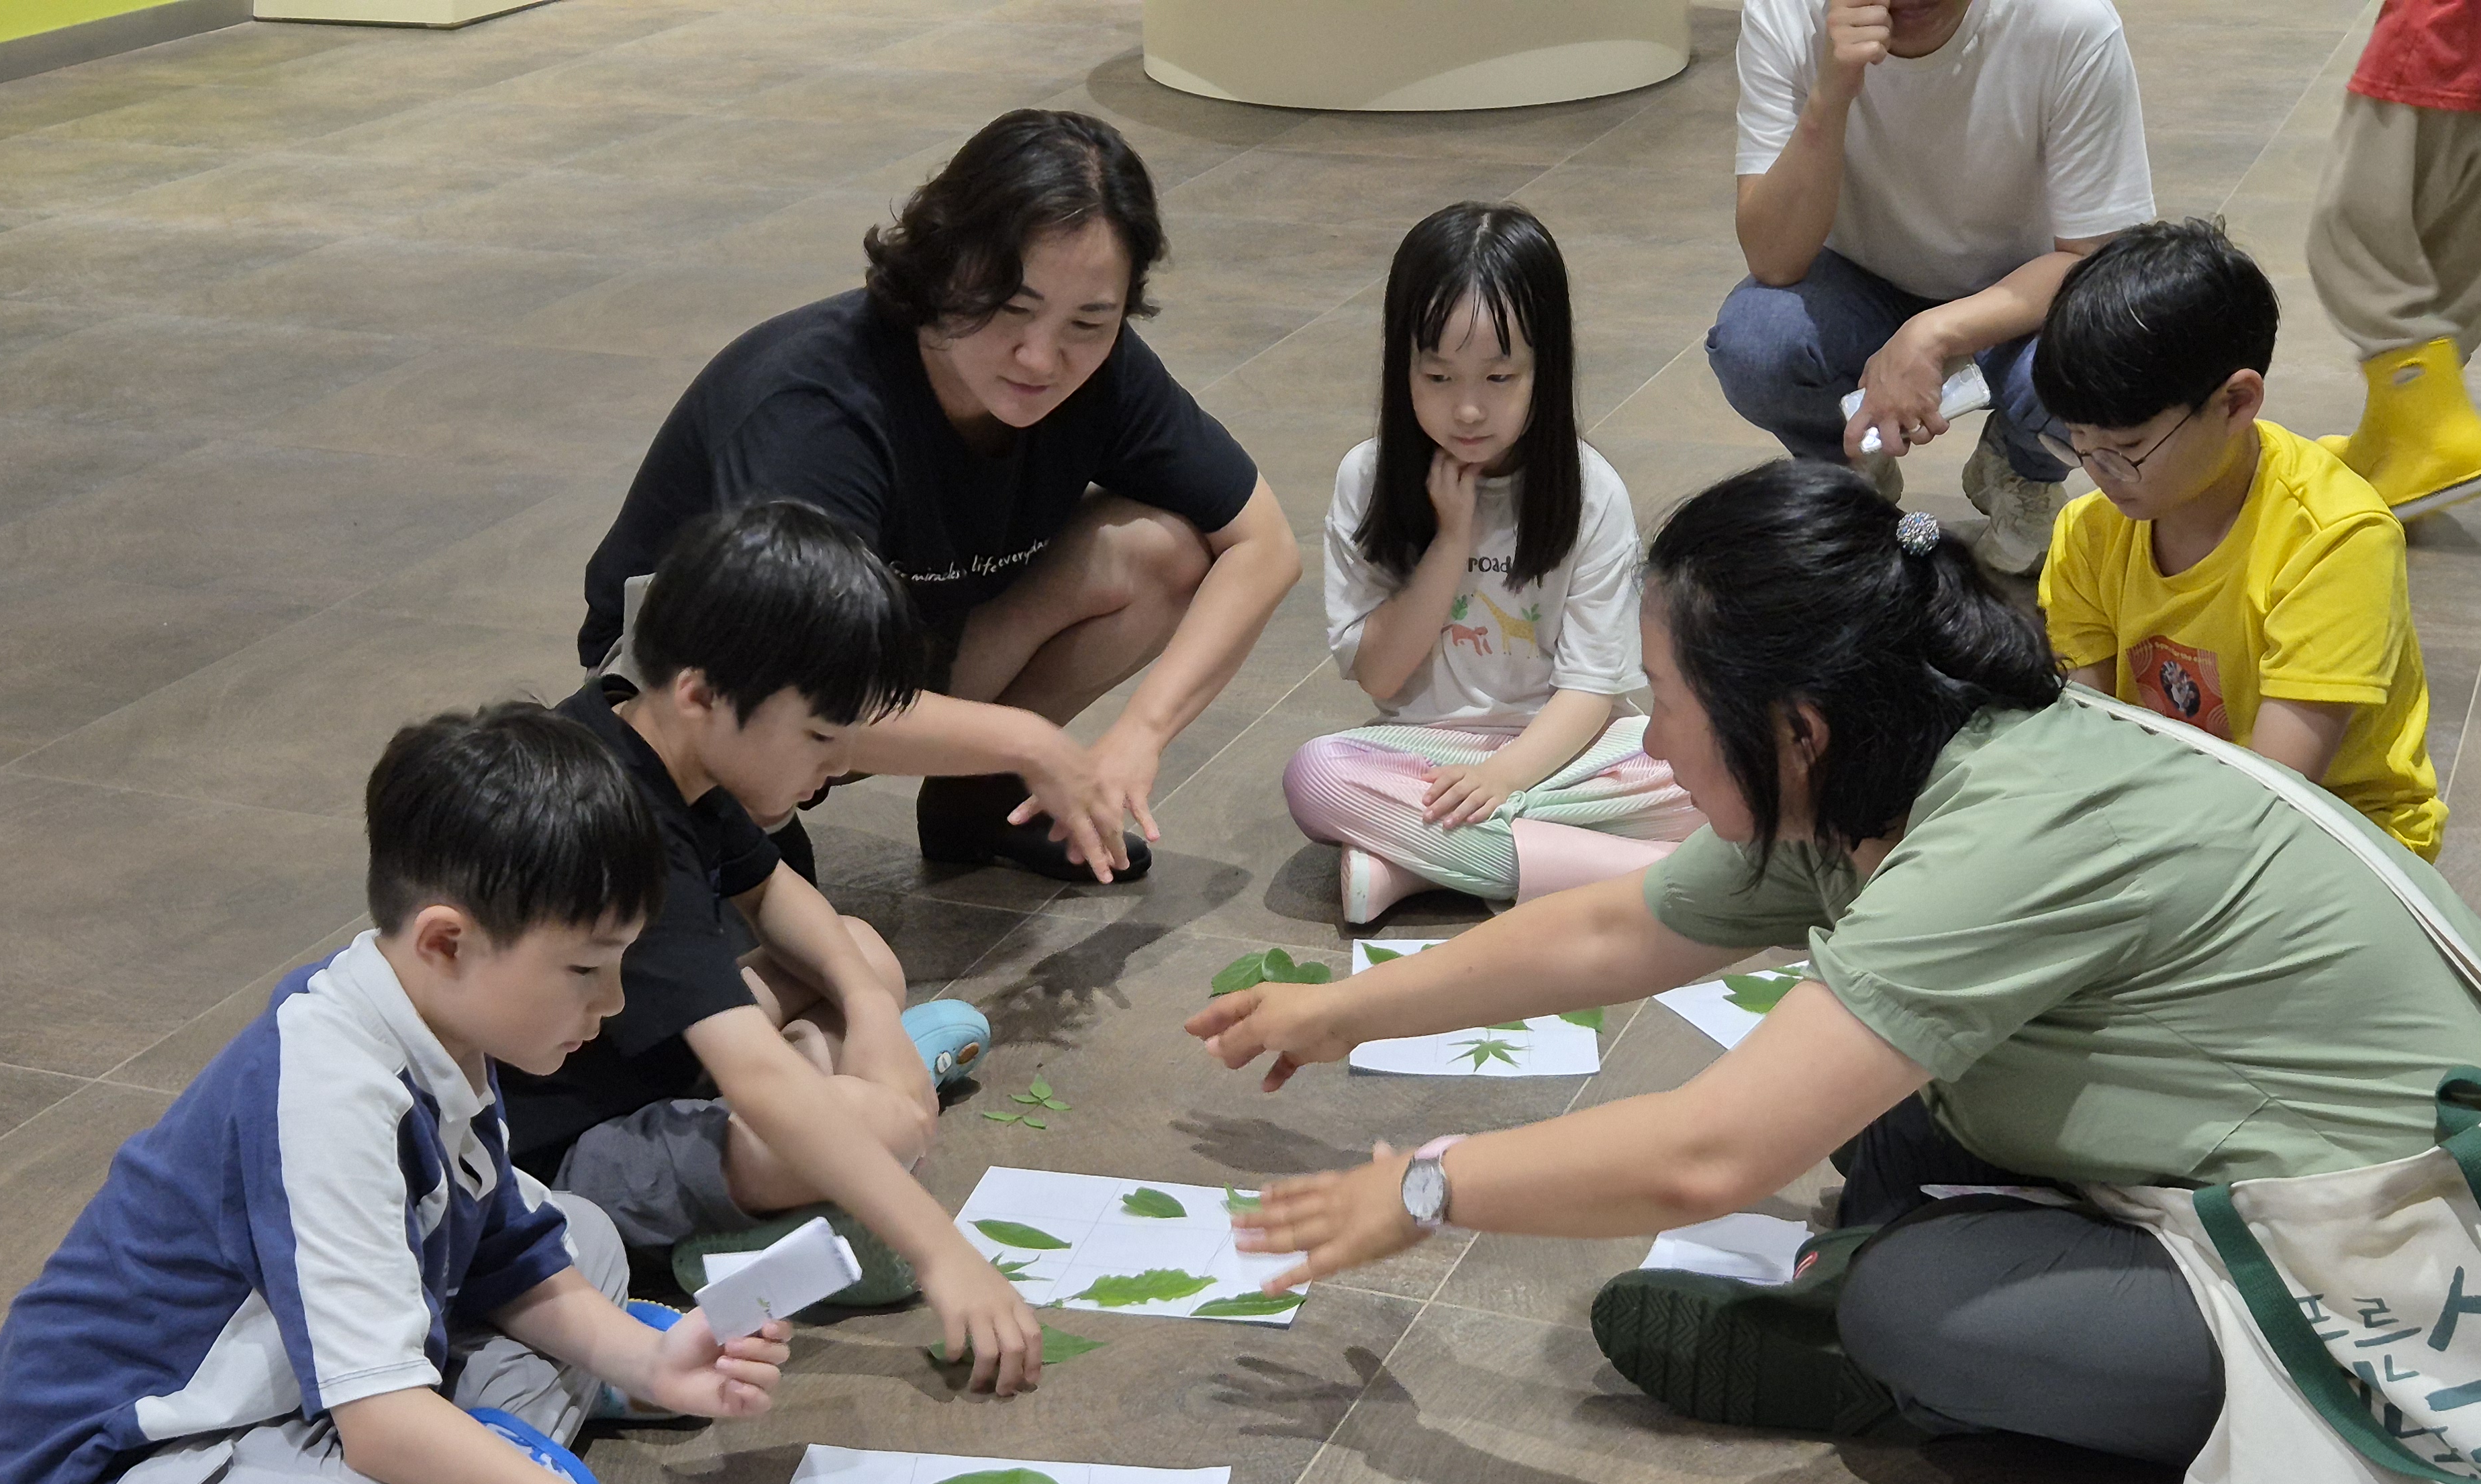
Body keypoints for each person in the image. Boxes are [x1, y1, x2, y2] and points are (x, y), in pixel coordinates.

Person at [1186, 460, 2481, 1472]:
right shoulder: (1891, 758)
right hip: (2253, 1140)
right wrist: (1340, 1009)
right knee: (1881, 1105)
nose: (1648, 752)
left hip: (2403, 1252)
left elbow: (1706, 1159)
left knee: (1923, 1308)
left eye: (1664, 709)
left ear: (1790, 727)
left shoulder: (1995, 841)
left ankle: (1908, 1365)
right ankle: (1918, 1276)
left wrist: (1428, 1187)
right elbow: (1617, 928)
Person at [0, 705, 808, 1484]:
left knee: (582, 1242)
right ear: (447, 941)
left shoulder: (436, 1019)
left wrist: (643, 1360)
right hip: (115, 1467)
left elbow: (503, 1245)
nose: (614, 1004)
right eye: (586, 969)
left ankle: (508, 1474)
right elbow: (378, 1431)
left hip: (301, 1389)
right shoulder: (328, 1090)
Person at [581, 108, 1301, 887]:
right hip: (723, 702)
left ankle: (979, 804)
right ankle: (738, 827)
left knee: (1163, 549)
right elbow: (793, 683)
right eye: (1011, 308)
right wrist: (1033, 743)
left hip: (891, 663)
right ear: (940, 261)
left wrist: (1142, 732)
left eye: (1089, 322)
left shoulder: (1107, 373)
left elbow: (1266, 546)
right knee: (757, 940)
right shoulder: (816, 408)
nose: (1042, 357)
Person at [511, 502, 1043, 1395]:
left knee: (860, 953)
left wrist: (872, 1013)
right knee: (882, 1123)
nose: (836, 769)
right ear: (702, 694)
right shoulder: (623, 828)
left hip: (638, 1053)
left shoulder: (657, 735)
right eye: (822, 740)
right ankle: (766, 1235)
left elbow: (773, 890)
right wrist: (943, 1250)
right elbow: (753, 1075)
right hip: (573, 1151)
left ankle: (843, 1142)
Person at [1283, 204, 1700, 926]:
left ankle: (1413, 868)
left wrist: (1503, 779)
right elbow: (1380, 676)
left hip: (1566, 748)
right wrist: (1449, 543)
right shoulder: (1369, 477)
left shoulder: (1589, 489)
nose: (1467, 410)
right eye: (1438, 377)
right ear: (1401, 364)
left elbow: (1590, 690)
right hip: (1423, 754)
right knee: (1317, 776)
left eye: (1499, 378)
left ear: (1546, 369)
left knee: (1712, 769)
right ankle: (1646, 876)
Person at [2034, 220, 2449, 860]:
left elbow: (2276, 794)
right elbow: (2079, 732)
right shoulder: (2090, 532)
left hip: (2341, 837)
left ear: (2235, 403)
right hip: (2167, 810)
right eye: (2076, 444)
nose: (2098, 474)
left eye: (2126, 450)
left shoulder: (2334, 541)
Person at [1708, 0, 2155, 573]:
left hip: (2025, 299)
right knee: (1756, 340)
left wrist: (1933, 333)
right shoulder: (1786, 13)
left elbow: (2094, 261)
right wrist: (1830, 93)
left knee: (2118, 354)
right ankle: (1845, 467)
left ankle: (2020, 466)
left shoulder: (2068, 21)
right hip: (1859, 284)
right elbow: (1774, 260)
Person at [2306, 0, 2481, 520]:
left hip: (2440, 35)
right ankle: (2394, 437)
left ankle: (2436, 438)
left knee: (2356, 238)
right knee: (2449, 256)